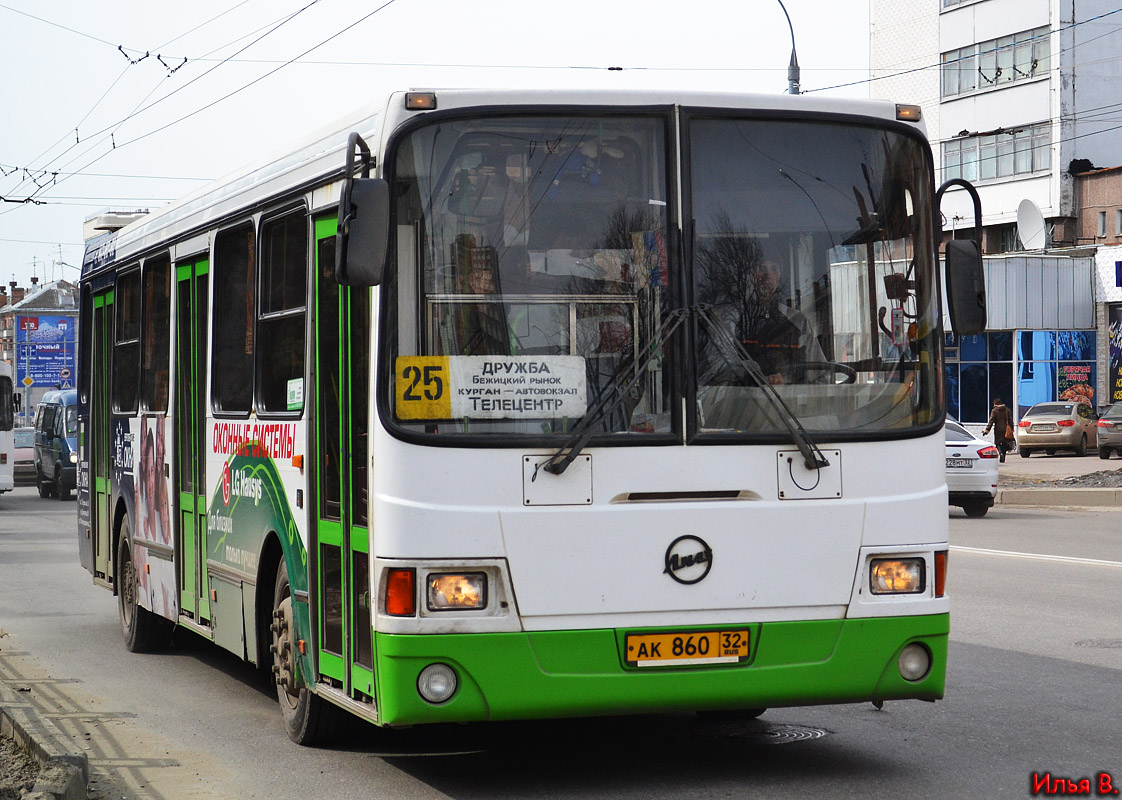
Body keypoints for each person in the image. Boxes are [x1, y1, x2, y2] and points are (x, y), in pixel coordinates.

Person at [983, 396, 1014, 462]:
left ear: (995, 404)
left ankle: (1000, 453)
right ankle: (1003, 456)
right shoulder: (1007, 410)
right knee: (1005, 444)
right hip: (1006, 429)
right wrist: (1012, 428)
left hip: (998, 430)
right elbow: (1010, 420)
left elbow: (991, 421)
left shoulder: (994, 411)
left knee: (998, 443)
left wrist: (987, 430)